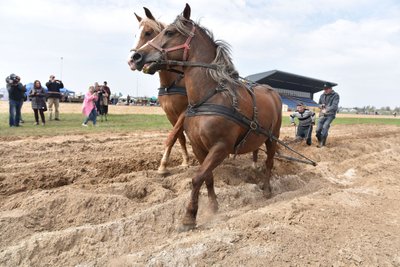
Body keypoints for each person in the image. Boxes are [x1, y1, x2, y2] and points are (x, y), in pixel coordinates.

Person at [316, 83, 340, 147]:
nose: (325, 90)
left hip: (330, 115)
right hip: (322, 115)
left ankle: (322, 143)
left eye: (327, 89)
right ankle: (320, 140)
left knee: (325, 127)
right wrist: (321, 106)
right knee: (317, 130)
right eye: (324, 89)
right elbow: (319, 105)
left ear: (330, 89)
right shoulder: (322, 95)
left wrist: (326, 109)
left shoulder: (335, 95)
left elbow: (334, 106)